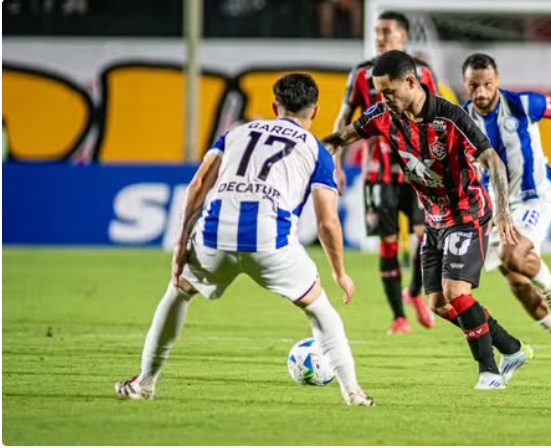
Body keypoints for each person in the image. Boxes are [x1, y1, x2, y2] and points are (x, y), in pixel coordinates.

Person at [114, 73, 374, 406]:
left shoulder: (235, 133)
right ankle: (353, 392)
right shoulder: (316, 150)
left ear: (273, 106)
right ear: (316, 110)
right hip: (271, 242)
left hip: (214, 235)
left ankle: (145, 383)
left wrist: (181, 242)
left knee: (178, 293)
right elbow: (327, 221)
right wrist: (340, 271)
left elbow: (197, 186)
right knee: (320, 309)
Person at [323, 50, 532, 390]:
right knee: (437, 303)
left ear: (410, 82)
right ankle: (511, 347)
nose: (383, 99)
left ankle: (489, 372)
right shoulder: (383, 115)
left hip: (467, 214)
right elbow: (342, 137)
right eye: (379, 92)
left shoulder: (450, 117)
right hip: (433, 219)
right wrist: (307, 150)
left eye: (389, 91)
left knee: (455, 291)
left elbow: (492, 159)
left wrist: (504, 212)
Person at [461, 53, 551, 360]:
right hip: (497, 203)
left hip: (536, 196)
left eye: (487, 84)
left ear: (497, 81)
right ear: (465, 85)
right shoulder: (462, 118)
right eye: (474, 86)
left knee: (512, 255)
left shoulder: (523, 105)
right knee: (517, 284)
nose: (482, 93)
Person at [333, 10, 439, 335]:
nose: (381, 36)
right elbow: (344, 119)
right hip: (378, 174)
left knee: (428, 238)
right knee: (388, 243)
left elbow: (436, 118)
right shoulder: (362, 73)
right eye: (378, 31)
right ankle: (398, 316)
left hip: (418, 171)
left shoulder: (421, 73)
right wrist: (336, 161)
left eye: (388, 31)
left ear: (403, 37)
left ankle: (414, 293)